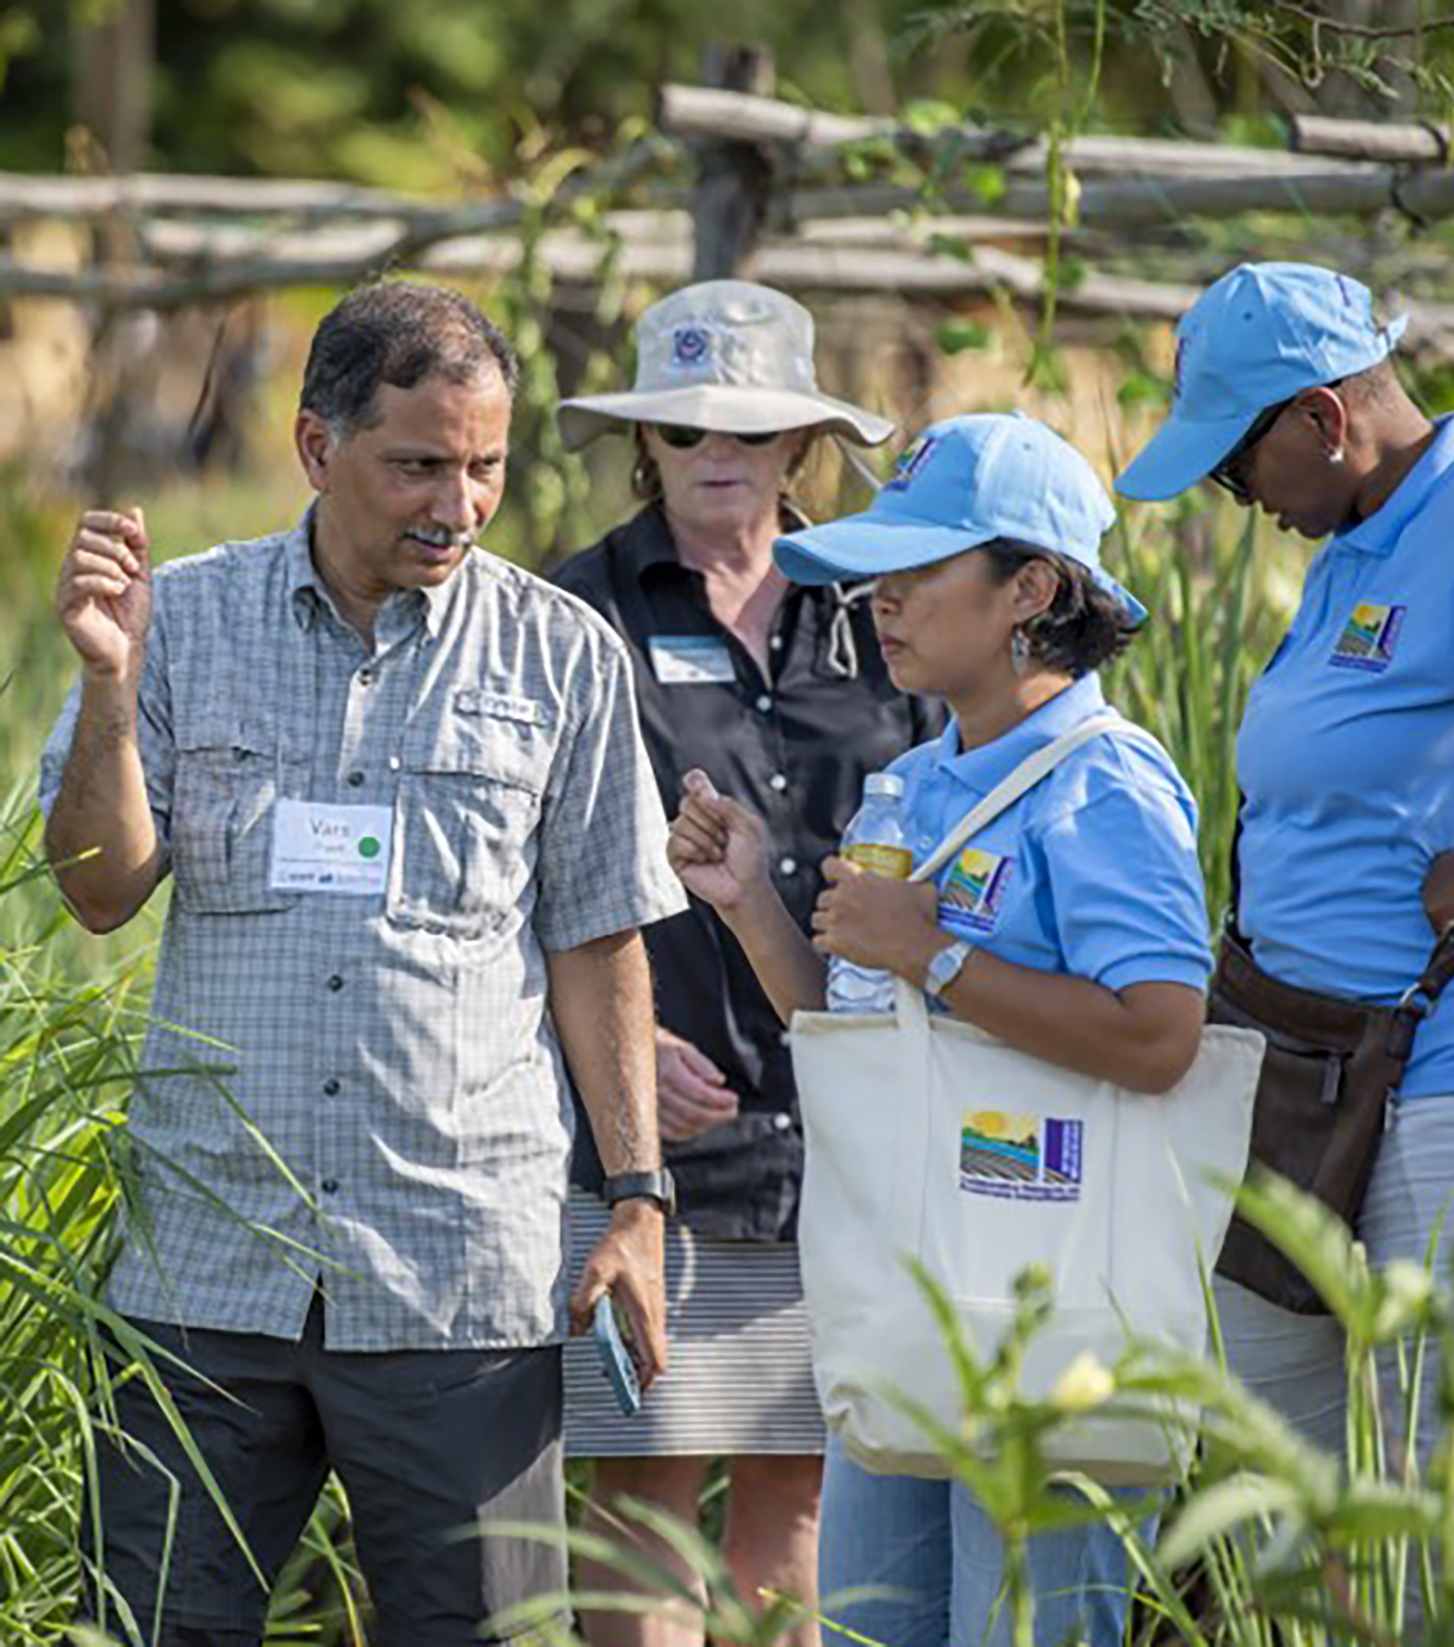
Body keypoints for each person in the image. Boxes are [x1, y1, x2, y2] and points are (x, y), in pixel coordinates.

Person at [41, 280, 686, 1647]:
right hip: (207, 1267)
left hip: (457, 1273)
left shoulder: (560, 653)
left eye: (484, 466)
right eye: (417, 465)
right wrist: (107, 684)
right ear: (317, 446)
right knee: (153, 1624)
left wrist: (635, 1194)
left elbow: (596, 938)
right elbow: (99, 893)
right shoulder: (180, 624)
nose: (456, 502)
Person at [1117, 260, 1454, 1644]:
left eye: (1236, 467)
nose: (1240, 501)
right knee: (1260, 1499)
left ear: (1320, 417)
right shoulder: (1363, 537)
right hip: (1329, 1071)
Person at [667, 411, 1213, 1647]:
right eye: (878, 570)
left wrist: (940, 951)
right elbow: (860, 1036)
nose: (879, 598)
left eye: (919, 569)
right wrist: (753, 901)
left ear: (1032, 586)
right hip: (912, 1304)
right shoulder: (916, 782)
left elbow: (1162, 1037)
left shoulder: (1106, 786)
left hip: (1055, 1321)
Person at [548, 279, 943, 1647]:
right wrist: (606, 1048)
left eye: (752, 428)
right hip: (654, 1135)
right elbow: (510, 871)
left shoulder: (879, 613)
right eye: (683, 426)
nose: (718, 451)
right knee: (640, 1490)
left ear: (799, 444)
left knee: (799, 1489)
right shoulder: (572, 613)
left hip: (847, 1120)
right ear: (642, 442)